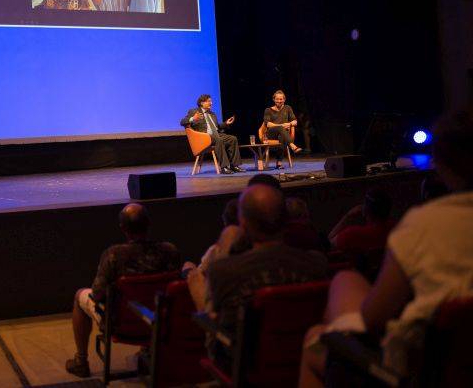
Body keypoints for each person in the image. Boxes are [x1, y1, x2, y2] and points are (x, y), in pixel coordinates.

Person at [298, 109, 473, 387]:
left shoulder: (423, 225)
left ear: (441, 164)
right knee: (347, 280)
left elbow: (374, 318)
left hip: (419, 368)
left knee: (316, 338)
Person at [187, 184, 327, 359]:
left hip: (242, 362)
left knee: (196, 280)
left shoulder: (223, 270)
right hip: (299, 355)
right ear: (286, 220)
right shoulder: (317, 262)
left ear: (243, 224)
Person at [67, 203, 181, 378]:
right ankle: (148, 352)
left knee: (79, 296)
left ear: (123, 228)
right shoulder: (170, 251)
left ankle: (81, 361)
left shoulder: (114, 255)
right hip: (160, 321)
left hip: (120, 323)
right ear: (149, 224)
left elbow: (97, 295)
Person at [181, 94, 244, 174]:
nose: (211, 103)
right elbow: (182, 122)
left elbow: (217, 127)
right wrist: (193, 118)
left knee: (232, 139)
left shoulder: (212, 114)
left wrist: (226, 123)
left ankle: (235, 165)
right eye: (209, 101)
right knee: (219, 139)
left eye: (211, 101)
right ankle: (224, 167)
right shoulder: (194, 111)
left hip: (216, 135)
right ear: (202, 103)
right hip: (204, 137)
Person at [328, 188, 395, 257]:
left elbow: (329, 244)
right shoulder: (398, 230)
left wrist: (348, 216)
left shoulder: (352, 234)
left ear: (364, 210)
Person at [263, 90, 302, 169]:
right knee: (281, 128)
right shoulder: (268, 110)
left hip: (283, 134)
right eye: (277, 99)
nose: (279, 101)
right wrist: (282, 125)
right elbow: (268, 124)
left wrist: (290, 124)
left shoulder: (288, 108)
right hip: (271, 133)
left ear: (284, 100)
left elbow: (295, 122)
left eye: (281, 99)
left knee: (282, 137)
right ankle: (292, 145)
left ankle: (279, 163)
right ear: (274, 99)